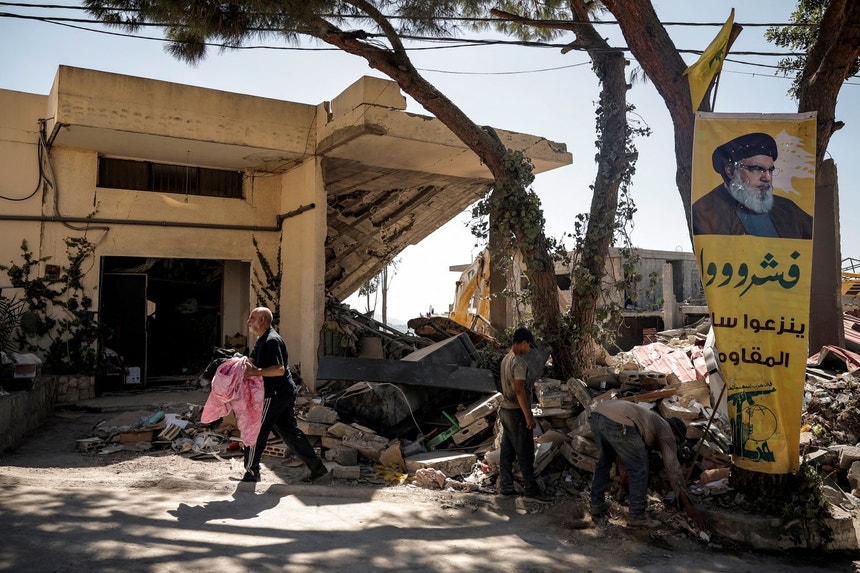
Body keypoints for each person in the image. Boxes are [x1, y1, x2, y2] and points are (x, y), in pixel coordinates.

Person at [240, 307, 328, 483]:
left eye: (252, 318)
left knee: (256, 429)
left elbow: (279, 370)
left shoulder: (272, 341)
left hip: (275, 393)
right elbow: (253, 361)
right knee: (289, 432)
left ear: (263, 320)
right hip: (284, 392)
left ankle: (252, 471)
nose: (249, 321)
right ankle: (317, 468)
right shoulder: (261, 340)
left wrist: (253, 373)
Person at [588, 399, 705, 530]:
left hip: (597, 415)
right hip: (619, 421)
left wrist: (626, 482)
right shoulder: (667, 432)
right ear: (674, 430)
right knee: (640, 468)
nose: (675, 444)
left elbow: (622, 457)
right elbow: (673, 469)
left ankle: (596, 505)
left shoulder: (650, 420)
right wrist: (689, 506)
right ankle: (637, 516)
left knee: (604, 462)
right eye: (677, 441)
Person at [691, 132, 813, 239]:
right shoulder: (705, 211)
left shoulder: (788, 209)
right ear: (730, 171)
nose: (767, 178)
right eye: (757, 168)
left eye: (770, 170)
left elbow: (819, 244)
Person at [497, 327, 549, 502]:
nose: (528, 351)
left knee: (507, 450)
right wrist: (528, 416)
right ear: (523, 342)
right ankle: (531, 489)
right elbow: (519, 389)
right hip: (516, 412)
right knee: (525, 450)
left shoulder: (506, 359)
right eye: (528, 346)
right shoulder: (518, 362)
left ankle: (506, 486)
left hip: (505, 409)